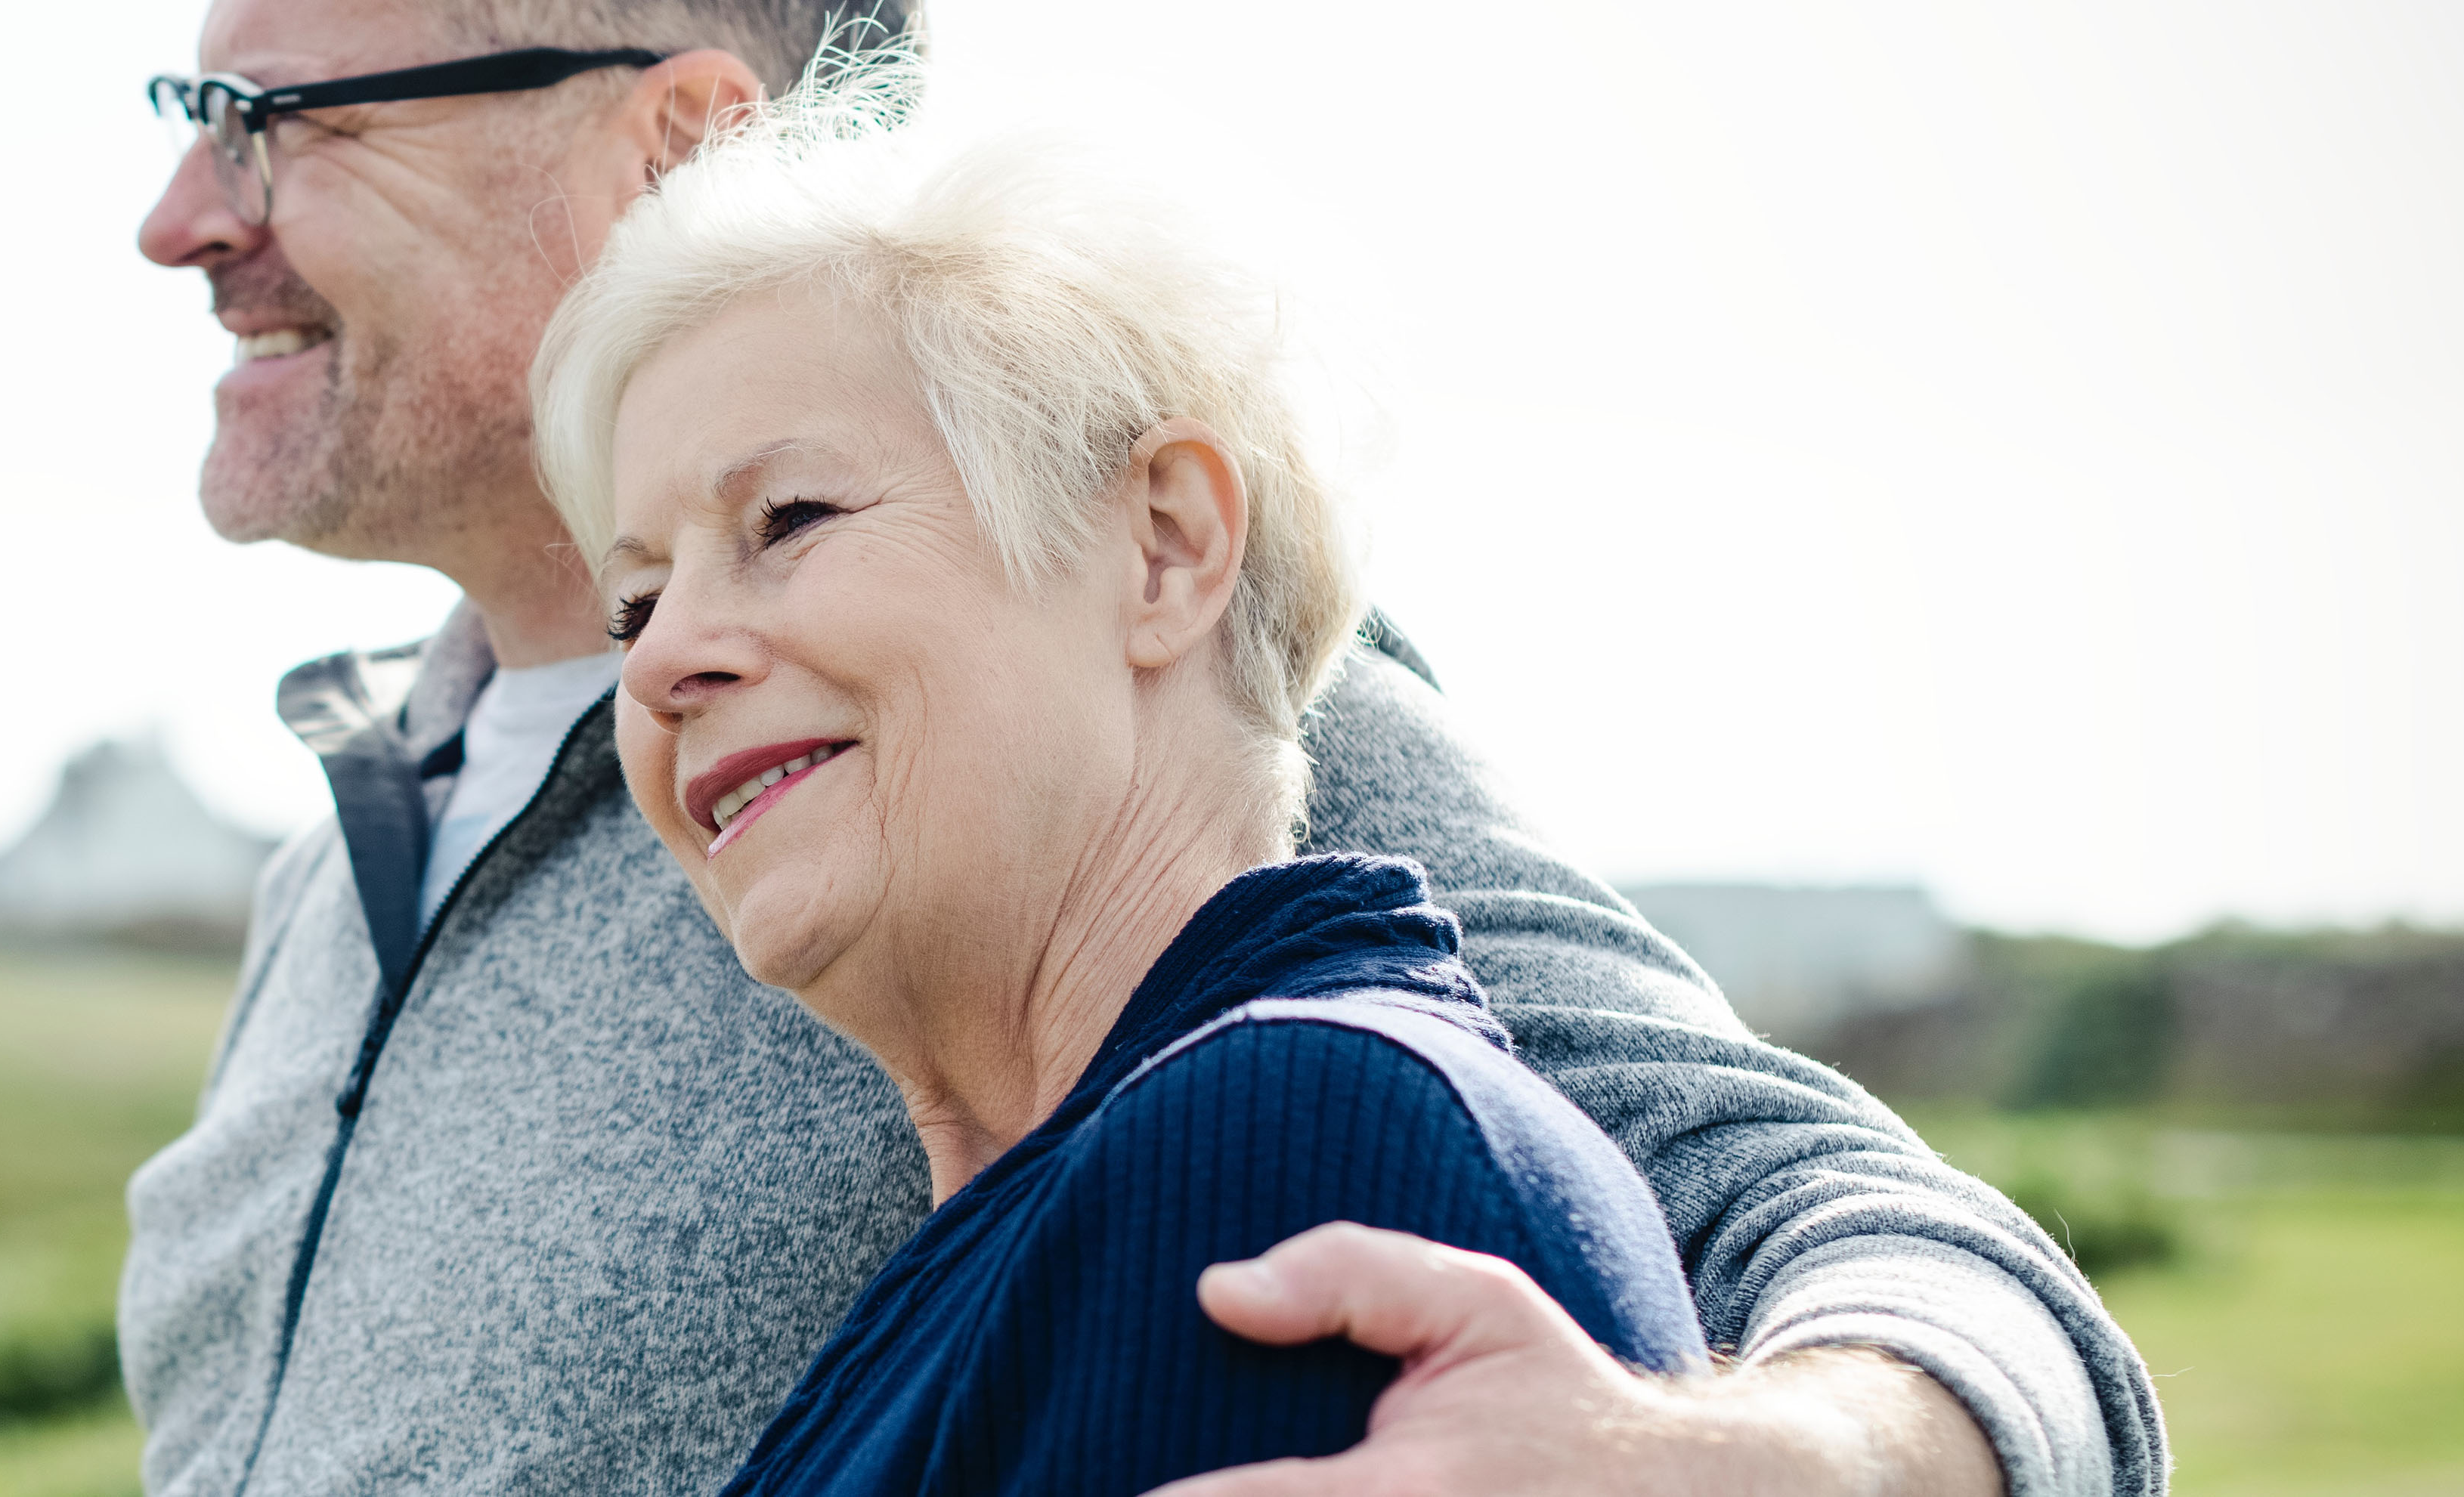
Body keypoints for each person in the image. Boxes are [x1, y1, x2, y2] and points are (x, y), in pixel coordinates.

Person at [117, 3, 2161, 1495]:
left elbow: (1835, 1218)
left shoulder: (1123, 710)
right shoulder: (350, 830)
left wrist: (1789, 1465)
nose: (179, 215)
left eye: (270, 118)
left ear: (676, 141)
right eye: (648, 593)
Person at [528, 94, 1714, 1495]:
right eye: (636, 602)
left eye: (789, 520)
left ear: (1162, 549)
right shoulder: (1082, 1209)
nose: (664, 657)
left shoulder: (1289, 1144)